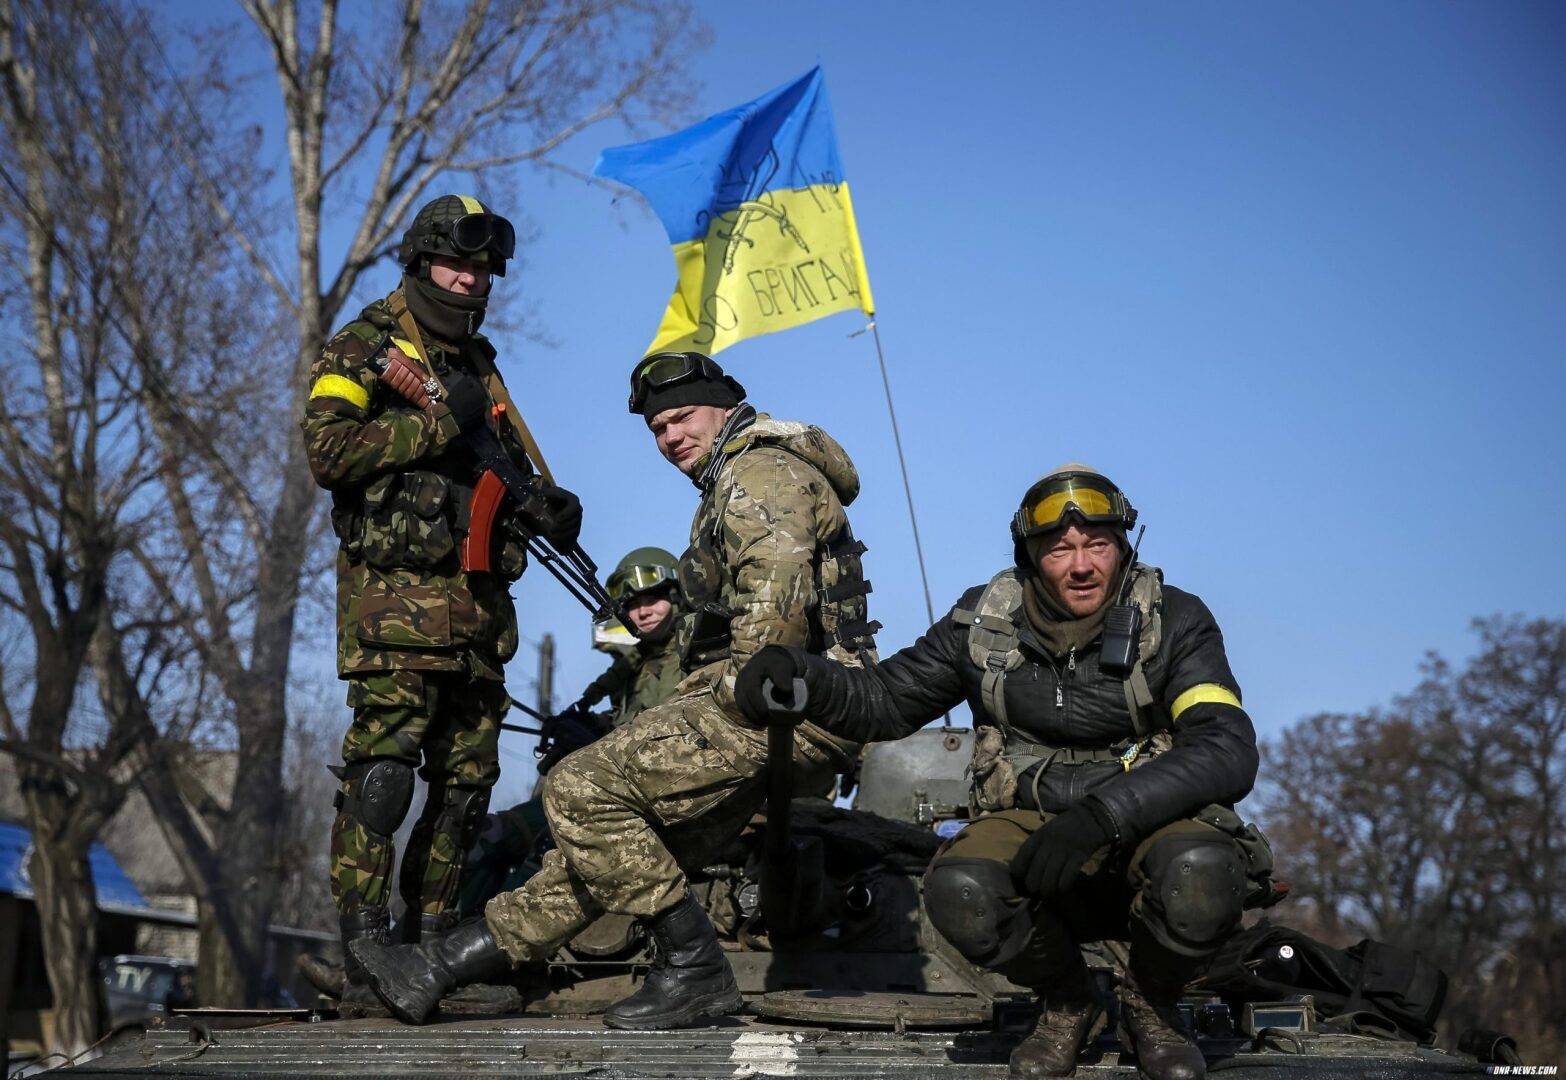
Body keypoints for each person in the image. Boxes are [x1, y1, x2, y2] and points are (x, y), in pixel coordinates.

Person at [351, 351, 880, 1030]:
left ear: (725, 406)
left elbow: (770, 630)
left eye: (682, 417)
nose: (670, 438)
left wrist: (708, 703)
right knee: (614, 851)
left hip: (789, 708)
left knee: (579, 788)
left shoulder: (757, 475)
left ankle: (694, 971)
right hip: (800, 706)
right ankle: (439, 969)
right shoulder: (742, 475)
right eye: (658, 429)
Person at [737, 465, 1271, 1080]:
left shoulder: (1173, 621)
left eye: (1097, 545)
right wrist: (803, 677)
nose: (1081, 565)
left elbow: (1225, 748)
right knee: (960, 889)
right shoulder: (982, 625)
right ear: (1029, 555)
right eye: (1059, 548)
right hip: (1024, 806)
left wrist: (1104, 816)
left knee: (1201, 873)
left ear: (1124, 547)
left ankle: (1150, 1004)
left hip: (1149, 810)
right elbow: (887, 699)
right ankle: (1069, 1002)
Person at [301, 193, 582, 1016]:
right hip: (396, 609)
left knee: (466, 785)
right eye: (458, 265)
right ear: (422, 263)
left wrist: (547, 504)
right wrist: (429, 430)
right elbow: (327, 451)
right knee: (383, 778)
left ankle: (431, 952)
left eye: (484, 269)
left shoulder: (478, 361)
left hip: (480, 616)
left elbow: (503, 461)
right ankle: (365, 953)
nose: (471, 280)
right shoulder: (365, 344)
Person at [458, 546, 689, 911]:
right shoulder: (639, 664)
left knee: (540, 862)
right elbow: (626, 723)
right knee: (484, 838)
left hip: (637, 807)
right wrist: (586, 726)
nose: (642, 612)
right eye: (633, 604)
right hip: (596, 793)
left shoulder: (694, 658)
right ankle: (442, 942)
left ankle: (488, 950)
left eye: (654, 599)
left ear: (678, 597)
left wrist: (598, 740)